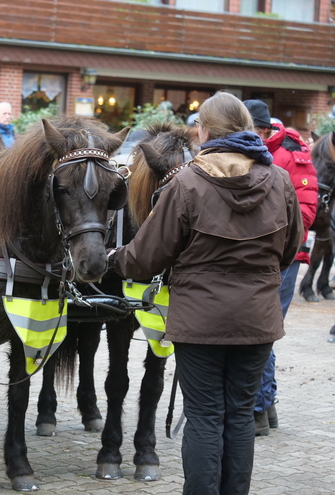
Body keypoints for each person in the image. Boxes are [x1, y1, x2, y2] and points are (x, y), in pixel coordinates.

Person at [109, 91, 303, 495]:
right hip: (257, 321)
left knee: (204, 417)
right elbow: (289, 249)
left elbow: (146, 257)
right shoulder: (280, 181)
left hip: (201, 324)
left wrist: (114, 258)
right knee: (238, 417)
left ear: (207, 130)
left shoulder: (188, 183)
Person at [243, 99, 318, 435]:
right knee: (259, 331)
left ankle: (259, 409)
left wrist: (264, 237)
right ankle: (265, 406)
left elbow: (305, 212)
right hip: (256, 256)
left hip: (281, 257)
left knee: (262, 332)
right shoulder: (252, 152)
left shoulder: (290, 153)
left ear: (261, 129)